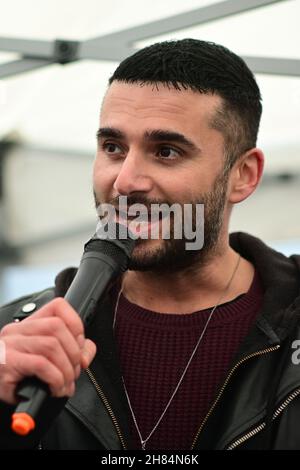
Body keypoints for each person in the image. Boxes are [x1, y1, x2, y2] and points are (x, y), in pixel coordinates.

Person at [1, 38, 300, 451]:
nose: (125, 181)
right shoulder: (14, 336)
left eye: (166, 151)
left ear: (244, 174)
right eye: (112, 147)